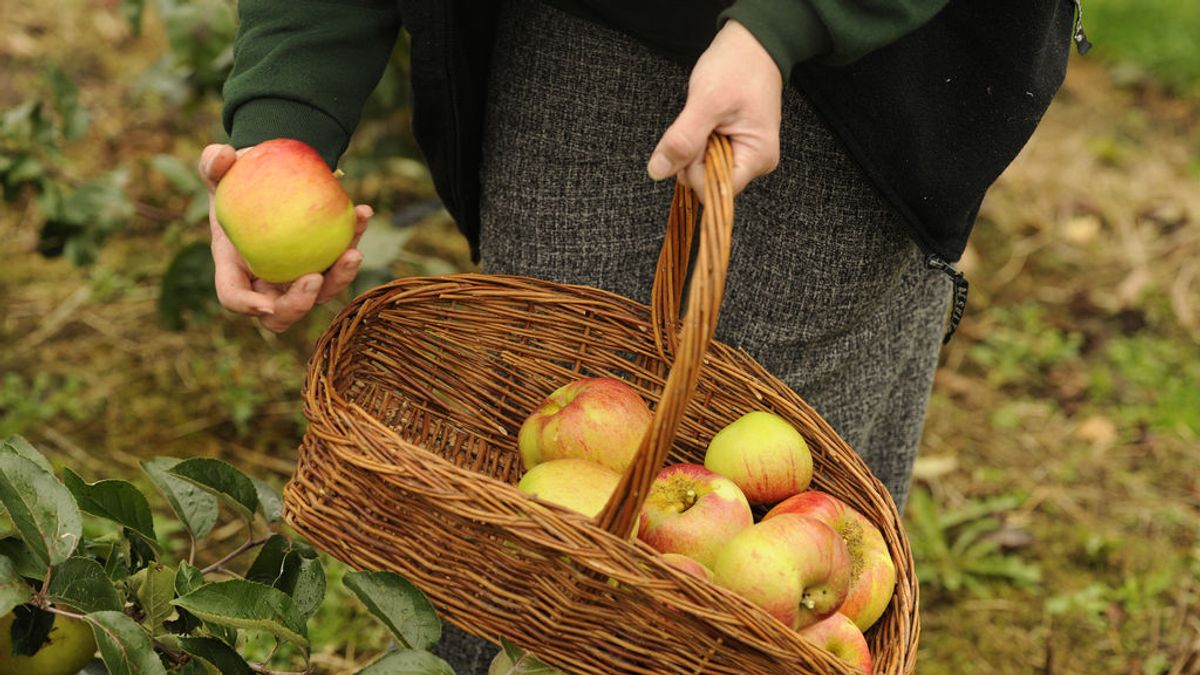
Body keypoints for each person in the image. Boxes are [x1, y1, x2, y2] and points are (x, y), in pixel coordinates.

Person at [201, 1, 1083, 671]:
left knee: (768, 599)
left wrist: (781, 23)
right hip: (589, 31)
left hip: (854, 76)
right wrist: (285, 124)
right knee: (536, 572)